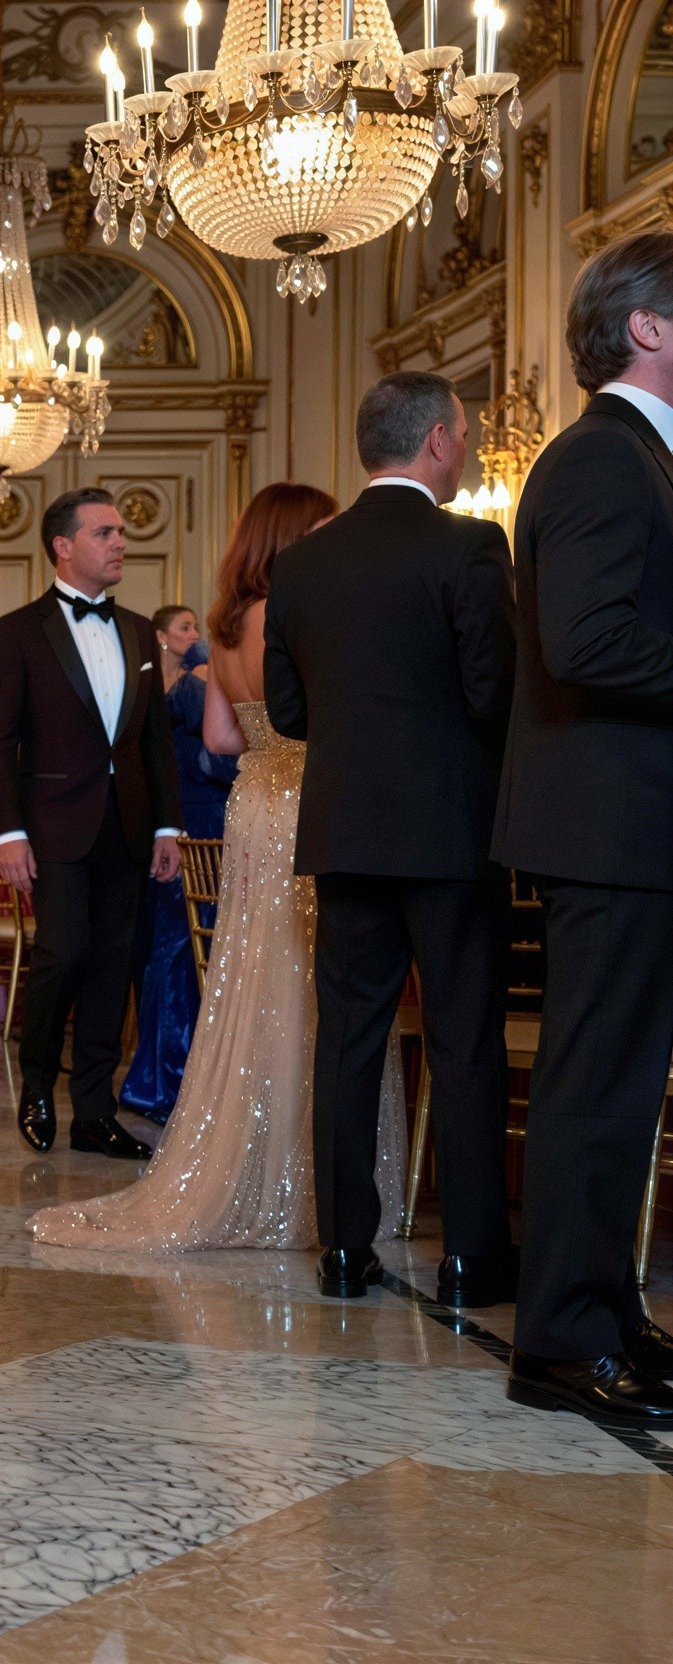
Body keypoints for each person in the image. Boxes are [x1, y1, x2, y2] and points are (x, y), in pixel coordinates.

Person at [32, 483, 407, 1251]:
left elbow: (223, 740)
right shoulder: (301, 617)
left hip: (254, 812)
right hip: (309, 804)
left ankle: (251, 1166)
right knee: (317, 988)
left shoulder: (231, 626)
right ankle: (309, 1185)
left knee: (255, 986)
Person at [264, 372, 518, 1303]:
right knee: (462, 1041)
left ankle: (342, 1251)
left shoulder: (301, 564)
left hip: (344, 832)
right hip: (452, 833)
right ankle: (472, 1258)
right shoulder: (469, 546)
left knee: (348, 1042)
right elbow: (496, 693)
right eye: (469, 436)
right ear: (442, 438)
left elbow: (288, 714)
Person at [497, 231, 673, 1423]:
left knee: (619, 1083)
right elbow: (588, 640)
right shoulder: (601, 461)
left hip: (630, 827)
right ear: (647, 328)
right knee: (594, 1084)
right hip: (611, 827)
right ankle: (558, 1338)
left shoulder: (634, 461)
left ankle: (605, 1311)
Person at [0, 487, 184, 1160]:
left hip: (127, 829)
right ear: (63, 547)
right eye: (105, 533)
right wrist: (6, 832)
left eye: (121, 531)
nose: (120, 542)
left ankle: (94, 1112)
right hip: (53, 827)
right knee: (62, 953)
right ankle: (37, 1087)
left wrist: (166, 827)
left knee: (111, 966)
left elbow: (155, 741)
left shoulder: (137, 631)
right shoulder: (17, 630)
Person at [118, 606, 234, 1120]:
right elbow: (220, 761)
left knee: (176, 949)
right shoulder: (189, 688)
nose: (195, 635)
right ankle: (172, 1081)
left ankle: (163, 1078)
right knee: (183, 950)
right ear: (161, 638)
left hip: (179, 825)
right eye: (184, 627)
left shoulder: (156, 692)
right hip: (200, 827)